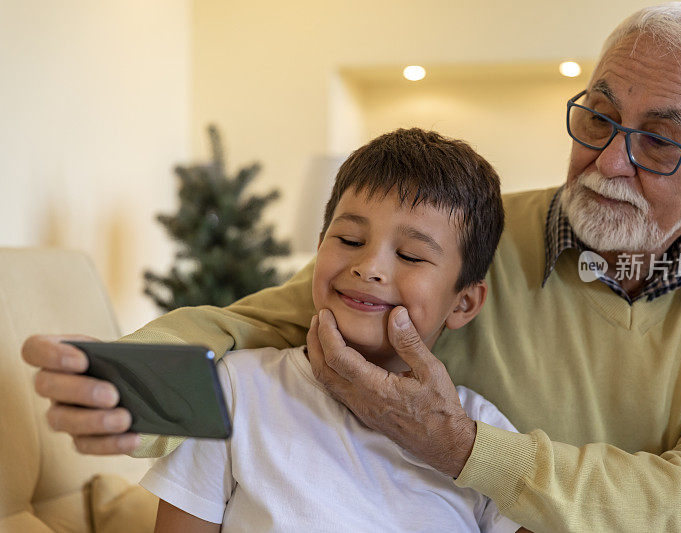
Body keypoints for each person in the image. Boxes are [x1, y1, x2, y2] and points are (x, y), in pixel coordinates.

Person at [22, 3, 681, 531]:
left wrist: (461, 448)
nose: (608, 160)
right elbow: (255, 323)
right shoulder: (478, 235)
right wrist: (131, 388)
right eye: (598, 117)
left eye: (659, 141)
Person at [140, 128, 526, 532]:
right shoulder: (235, 389)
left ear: (463, 302)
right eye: (349, 239)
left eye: (410, 255)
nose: (370, 267)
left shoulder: (479, 437)